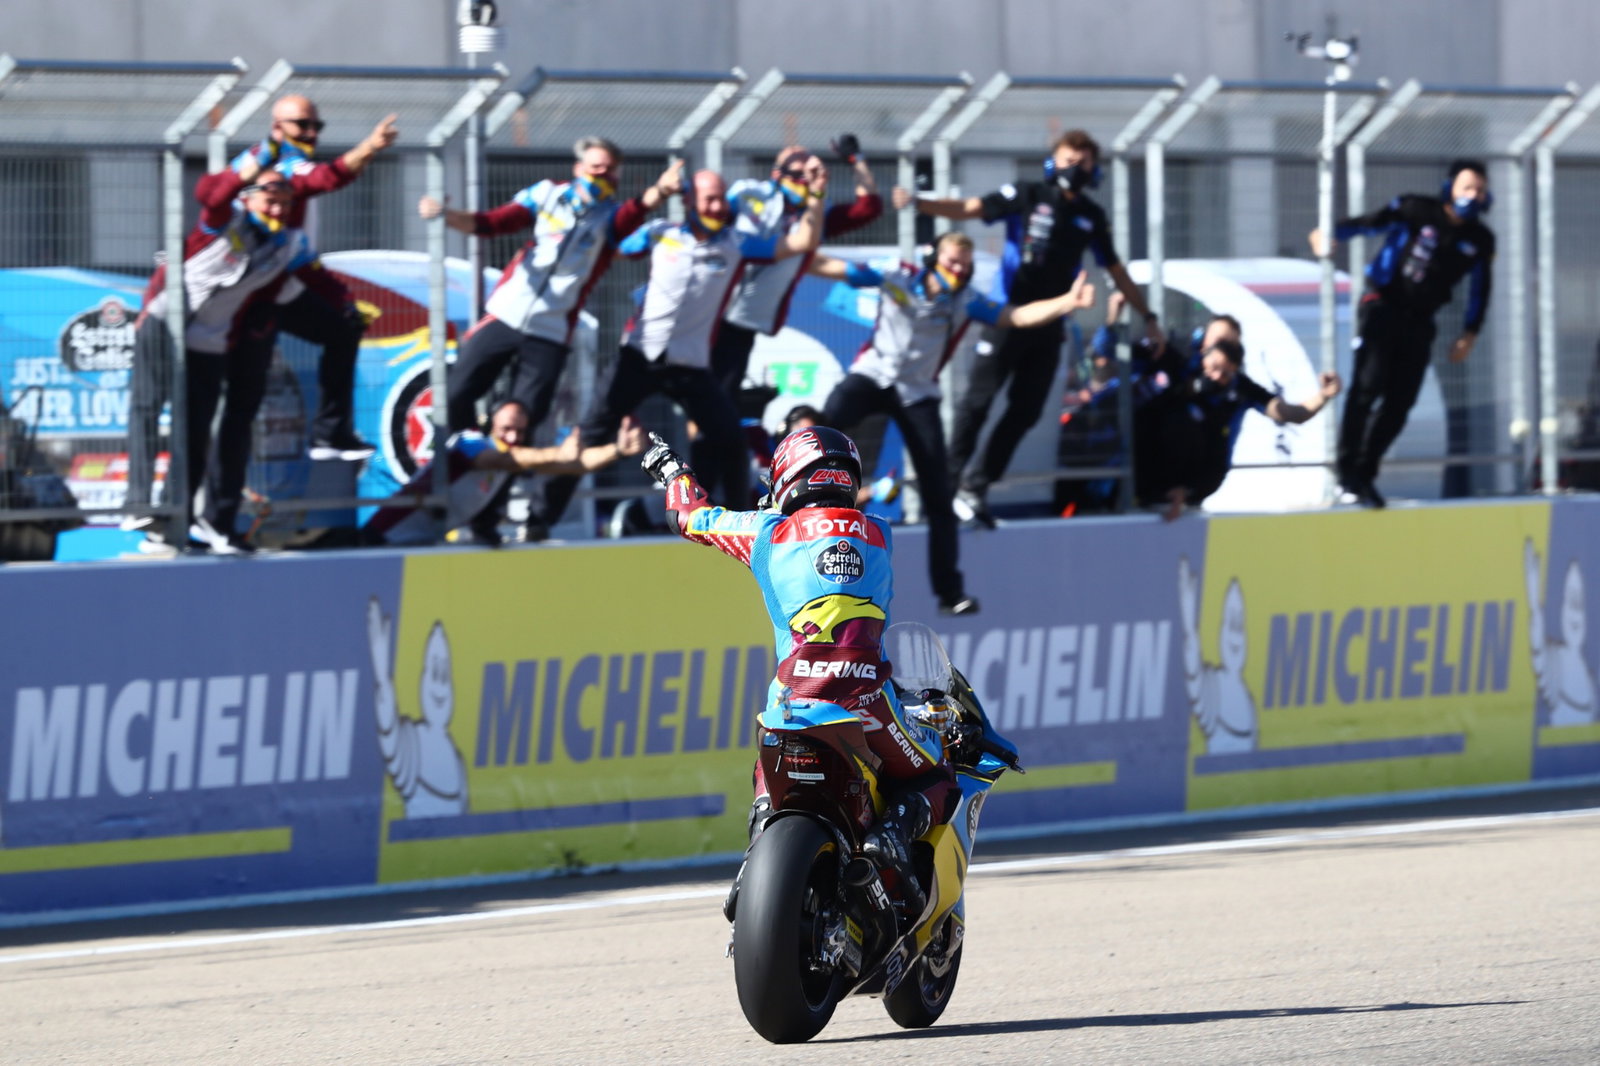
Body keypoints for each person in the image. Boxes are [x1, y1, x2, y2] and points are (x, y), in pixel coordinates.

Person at [640, 424, 960, 920]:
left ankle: (758, 849)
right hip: (867, 704)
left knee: (765, 762)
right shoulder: (880, 533)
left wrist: (671, 470)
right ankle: (893, 832)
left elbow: (689, 516)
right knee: (937, 775)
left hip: (791, 701)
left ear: (787, 478)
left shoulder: (763, 532)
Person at [809, 232, 1096, 615]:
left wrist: (1068, 302)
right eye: (951, 262)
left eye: (965, 265)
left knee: (939, 493)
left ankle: (949, 592)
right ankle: (778, 508)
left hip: (918, 393)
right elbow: (834, 268)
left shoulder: (967, 300)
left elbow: (1016, 316)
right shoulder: (897, 275)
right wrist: (795, 254)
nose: (957, 271)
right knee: (820, 437)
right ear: (933, 258)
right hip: (873, 375)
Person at [897, 129, 1162, 526]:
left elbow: (1115, 269)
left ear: (1094, 169)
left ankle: (976, 487)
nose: (1075, 168)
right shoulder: (1027, 194)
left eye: (1084, 162)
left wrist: (1149, 317)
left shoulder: (1091, 215)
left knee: (1027, 412)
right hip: (1007, 317)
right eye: (1069, 159)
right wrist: (922, 204)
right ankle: (944, 486)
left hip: (1049, 325)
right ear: (1054, 160)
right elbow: (972, 207)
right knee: (977, 404)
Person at [537, 168, 825, 531]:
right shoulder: (661, 233)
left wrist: (814, 196)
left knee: (731, 441)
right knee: (591, 433)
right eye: (709, 198)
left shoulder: (737, 243)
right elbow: (616, 242)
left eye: (722, 198)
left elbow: (800, 243)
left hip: (691, 365)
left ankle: (744, 530)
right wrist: (655, 192)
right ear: (688, 201)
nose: (718, 206)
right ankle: (540, 519)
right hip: (639, 356)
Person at [419, 138, 683, 441]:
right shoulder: (547, 194)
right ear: (578, 168)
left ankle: (503, 480)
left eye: (610, 170)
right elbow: (494, 222)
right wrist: (446, 215)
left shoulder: (610, 217)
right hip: (505, 313)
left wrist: (661, 190)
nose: (602, 175)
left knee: (525, 417)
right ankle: (461, 455)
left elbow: (636, 210)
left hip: (551, 329)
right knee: (456, 393)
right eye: (595, 167)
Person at [130, 169, 319, 554]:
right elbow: (209, 195)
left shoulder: (285, 246)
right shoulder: (224, 224)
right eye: (269, 199)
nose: (278, 208)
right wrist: (250, 165)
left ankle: (170, 521)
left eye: (285, 202)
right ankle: (138, 503)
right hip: (166, 322)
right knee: (148, 409)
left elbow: (300, 285)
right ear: (247, 199)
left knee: (196, 434)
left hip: (209, 342)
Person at [1310, 159, 1496, 508]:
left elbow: (1480, 289)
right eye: (1466, 187)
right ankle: (1346, 470)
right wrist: (1329, 233)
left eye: (1479, 190)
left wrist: (1470, 333)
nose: (1472, 195)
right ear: (1450, 188)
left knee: (1400, 402)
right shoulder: (1416, 209)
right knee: (1368, 386)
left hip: (1421, 320)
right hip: (1382, 305)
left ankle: (1365, 474)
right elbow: (1370, 224)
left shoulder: (1480, 240)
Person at [691, 140, 882, 477]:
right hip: (712, 310)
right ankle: (696, 485)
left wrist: (857, 161)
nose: (808, 179)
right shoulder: (751, 194)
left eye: (814, 172)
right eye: (802, 172)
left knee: (721, 407)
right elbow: (713, 220)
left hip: (744, 322)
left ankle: (715, 485)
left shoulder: (815, 213)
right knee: (707, 408)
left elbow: (868, 209)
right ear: (779, 172)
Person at [230, 95, 400, 461]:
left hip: (281, 284)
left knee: (344, 326)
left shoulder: (273, 161)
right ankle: (194, 498)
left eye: (316, 126)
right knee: (240, 399)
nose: (311, 133)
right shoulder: (282, 167)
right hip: (245, 295)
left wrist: (341, 297)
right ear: (277, 128)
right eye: (302, 126)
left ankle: (330, 434)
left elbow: (300, 255)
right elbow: (328, 178)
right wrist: (370, 146)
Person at [1132, 317, 1341, 520]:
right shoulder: (1180, 364)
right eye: (1217, 341)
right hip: (1152, 470)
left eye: (1230, 343)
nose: (1216, 373)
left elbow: (1290, 413)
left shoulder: (1241, 387)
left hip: (1201, 479)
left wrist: (1323, 396)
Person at [361, 404, 644, 547]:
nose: (512, 437)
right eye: (506, 428)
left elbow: (576, 465)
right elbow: (499, 458)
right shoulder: (470, 442)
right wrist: (559, 454)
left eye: (519, 432)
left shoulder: (510, 462)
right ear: (490, 423)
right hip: (384, 535)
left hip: (421, 543)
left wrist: (617, 450)